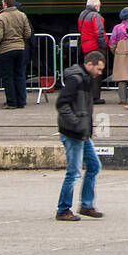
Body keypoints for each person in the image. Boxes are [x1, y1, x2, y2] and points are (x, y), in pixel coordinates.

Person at [55, 50, 106, 221]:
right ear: (89, 64)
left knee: (94, 166)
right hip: (73, 133)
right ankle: (63, 209)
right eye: (98, 69)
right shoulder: (76, 80)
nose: (100, 73)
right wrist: (76, 123)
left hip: (82, 132)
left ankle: (86, 204)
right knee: (74, 172)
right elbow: (61, 104)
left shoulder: (86, 79)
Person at [0, 0, 33, 108]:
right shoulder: (22, 15)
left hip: (6, 49)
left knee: (7, 76)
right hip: (20, 48)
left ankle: (11, 102)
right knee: (19, 75)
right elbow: (28, 33)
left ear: (5, 4)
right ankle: (21, 101)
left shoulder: (1, 17)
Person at [78, 0, 109, 103]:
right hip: (95, 47)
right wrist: (104, 45)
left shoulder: (82, 15)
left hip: (86, 46)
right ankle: (95, 97)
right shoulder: (95, 16)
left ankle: (87, 95)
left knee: (89, 72)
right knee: (96, 73)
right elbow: (99, 32)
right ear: (96, 6)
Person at [109, 7, 128, 105]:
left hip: (120, 54)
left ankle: (122, 99)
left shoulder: (117, 28)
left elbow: (112, 42)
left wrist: (116, 52)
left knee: (122, 78)